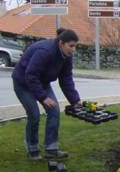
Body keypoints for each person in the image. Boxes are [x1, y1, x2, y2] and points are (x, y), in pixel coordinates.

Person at [11, 28, 82, 160]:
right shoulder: (45, 51)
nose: (73, 50)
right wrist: (43, 98)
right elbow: (31, 75)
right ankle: (32, 149)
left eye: (75, 46)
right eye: (71, 46)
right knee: (34, 115)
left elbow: (66, 80)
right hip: (23, 83)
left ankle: (51, 149)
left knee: (54, 111)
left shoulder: (67, 56)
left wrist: (75, 101)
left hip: (42, 82)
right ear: (61, 43)